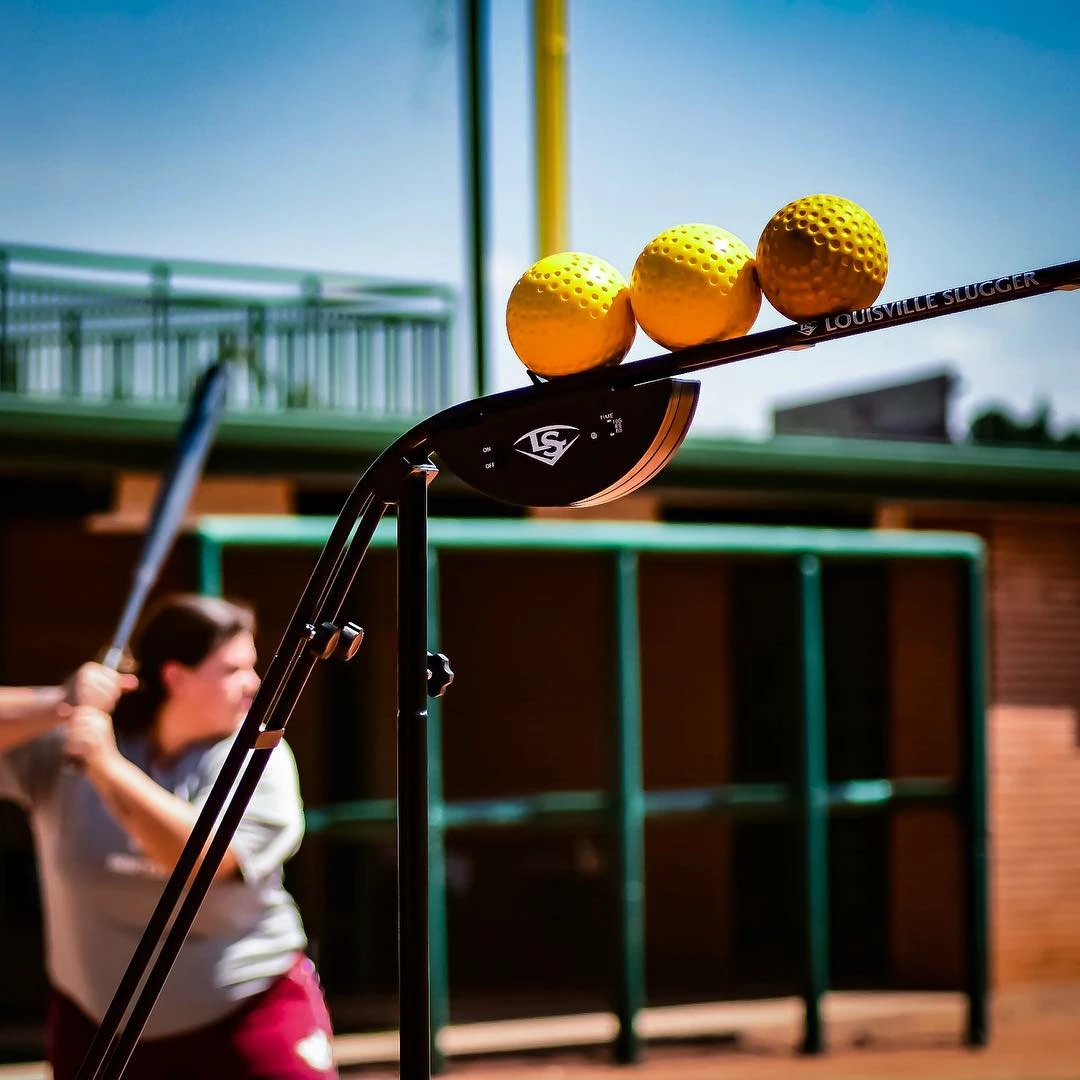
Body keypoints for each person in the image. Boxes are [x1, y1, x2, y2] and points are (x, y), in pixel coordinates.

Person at [0, 594, 337, 1080]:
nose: (254, 685)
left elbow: (204, 864)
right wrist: (57, 702)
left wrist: (106, 767)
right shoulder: (76, 741)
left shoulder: (259, 754)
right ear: (175, 676)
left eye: (252, 666)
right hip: (98, 1026)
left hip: (246, 1013)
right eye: (232, 669)